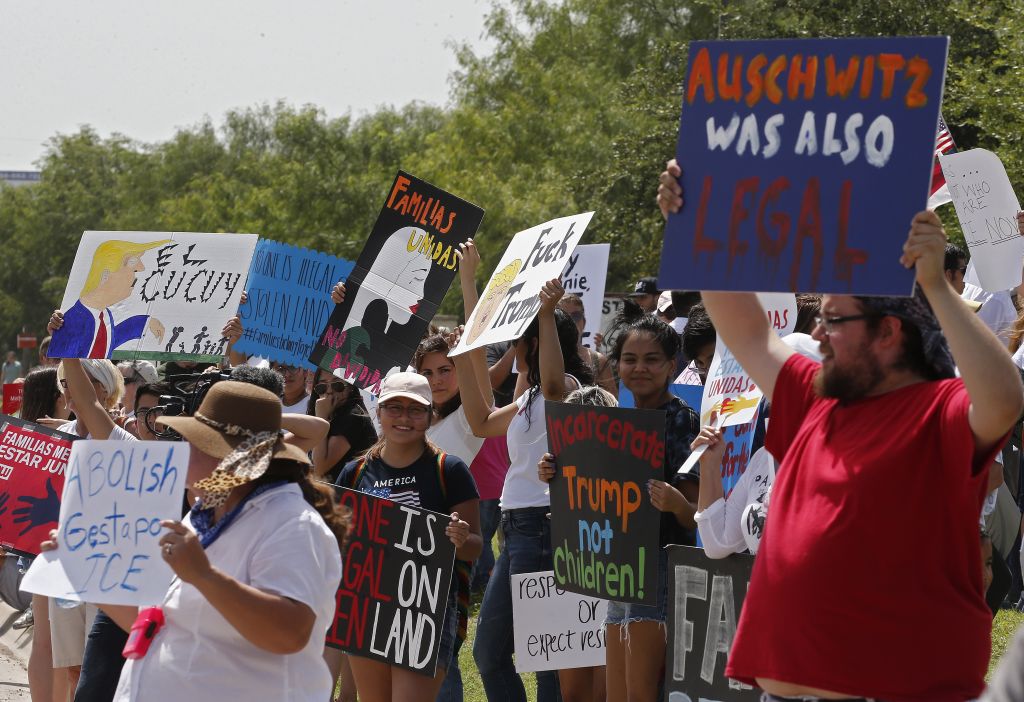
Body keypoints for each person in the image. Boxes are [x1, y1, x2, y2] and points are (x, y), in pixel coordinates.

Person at [658, 159, 1024, 700]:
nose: (819, 337)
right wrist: (696, 226)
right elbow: (748, 332)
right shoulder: (813, 394)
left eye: (834, 322)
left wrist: (936, 289)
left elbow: (1004, 398)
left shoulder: (939, 410)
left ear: (888, 333)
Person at [35, 380, 350, 701]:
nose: (180, 450)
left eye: (194, 442)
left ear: (234, 460)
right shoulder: (208, 514)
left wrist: (204, 575)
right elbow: (157, 624)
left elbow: (291, 632)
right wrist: (83, 569)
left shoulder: (292, 524)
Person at [541, 302, 701, 702]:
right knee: (617, 691)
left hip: (659, 566)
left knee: (641, 691)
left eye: (652, 359)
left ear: (671, 364)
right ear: (617, 364)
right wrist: (556, 473)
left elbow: (694, 513)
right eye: (629, 359)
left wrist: (673, 500)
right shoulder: (617, 418)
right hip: (621, 568)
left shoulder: (682, 420)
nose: (639, 368)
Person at [455, 279, 594, 702]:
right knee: (490, 652)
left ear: (534, 343)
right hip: (515, 531)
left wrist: (548, 313)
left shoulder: (567, 387)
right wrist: (465, 346)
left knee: (549, 657)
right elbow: (480, 420)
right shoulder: (528, 396)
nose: (513, 349)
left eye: (519, 341)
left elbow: (554, 386)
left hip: (545, 527)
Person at [335, 372, 481, 702]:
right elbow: (340, 543)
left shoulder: (450, 470)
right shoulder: (354, 472)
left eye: (415, 410)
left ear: (430, 416)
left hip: (422, 611)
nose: (404, 418)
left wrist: (459, 537)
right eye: (394, 408)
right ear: (379, 413)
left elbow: (475, 547)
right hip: (367, 606)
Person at [693, 333, 823, 558]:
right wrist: (710, 466)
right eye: (772, 382)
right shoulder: (762, 459)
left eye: (795, 383)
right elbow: (718, 545)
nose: (780, 395)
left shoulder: (843, 461)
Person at [537, 385, 618, 702]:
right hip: (573, 584)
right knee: (573, 694)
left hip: (614, 584)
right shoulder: (558, 466)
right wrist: (550, 478)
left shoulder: (628, 469)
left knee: (607, 690)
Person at [19, 367, 72, 702]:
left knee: (44, 637)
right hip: (59, 546)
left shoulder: (19, 434)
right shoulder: (61, 440)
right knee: (62, 642)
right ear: (56, 397)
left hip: (32, 545)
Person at [47, 238, 170, 358]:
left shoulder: (103, 314)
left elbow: (110, 339)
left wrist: (145, 322)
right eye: (133, 269)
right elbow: (65, 365)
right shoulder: (75, 320)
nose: (135, 277)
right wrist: (59, 334)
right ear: (105, 274)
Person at [310, 369, 376, 483]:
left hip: (348, 497)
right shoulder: (334, 414)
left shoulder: (354, 416)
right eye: (322, 387)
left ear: (350, 387)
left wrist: (321, 418)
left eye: (337, 385)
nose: (329, 391)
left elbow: (319, 468)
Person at [557, 294, 617, 398]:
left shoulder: (598, 361)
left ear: (583, 322)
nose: (571, 321)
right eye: (564, 316)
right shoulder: (538, 359)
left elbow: (613, 407)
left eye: (576, 316)